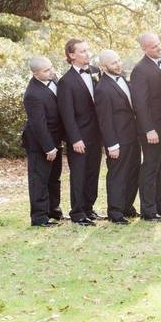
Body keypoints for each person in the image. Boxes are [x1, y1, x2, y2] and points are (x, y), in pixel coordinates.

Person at [57, 38, 103, 226]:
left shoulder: (96, 73)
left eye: (87, 50)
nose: (87, 53)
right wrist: (75, 139)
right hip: (79, 137)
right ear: (71, 55)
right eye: (82, 51)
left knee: (93, 172)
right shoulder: (66, 82)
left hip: (97, 134)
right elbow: (67, 115)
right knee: (79, 174)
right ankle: (77, 212)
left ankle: (89, 207)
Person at [130, 32, 161, 220]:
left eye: (159, 44)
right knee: (150, 168)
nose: (159, 48)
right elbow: (140, 103)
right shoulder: (140, 70)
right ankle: (148, 210)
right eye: (154, 46)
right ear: (144, 49)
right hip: (152, 129)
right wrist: (149, 129)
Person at [94, 49, 140, 224]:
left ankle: (128, 206)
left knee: (132, 173)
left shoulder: (124, 80)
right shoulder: (103, 89)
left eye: (119, 60)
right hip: (118, 140)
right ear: (103, 67)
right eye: (113, 63)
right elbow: (104, 120)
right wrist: (111, 145)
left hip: (132, 136)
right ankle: (115, 212)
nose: (118, 64)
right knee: (118, 176)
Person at [21, 56, 65, 227]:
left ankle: (54, 210)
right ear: (34, 74)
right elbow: (38, 124)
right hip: (40, 143)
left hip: (56, 139)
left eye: (51, 68)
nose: (51, 72)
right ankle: (39, 218)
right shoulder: (32, 94)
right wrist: (49, 148)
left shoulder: (53, 79)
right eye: (46, 70)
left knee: (54, 178)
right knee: (39, 180)